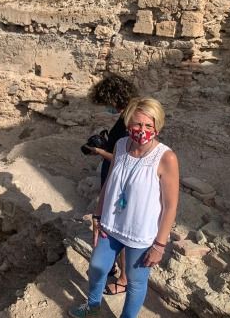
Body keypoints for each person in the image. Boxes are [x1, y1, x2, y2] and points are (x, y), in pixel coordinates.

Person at [69, 97, 179, 318]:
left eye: (149, 125)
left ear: (158, 125)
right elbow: (109, 182)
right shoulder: (121, 145)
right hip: (111, 224)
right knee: (98, 268)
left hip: (140, 233)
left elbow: (170, 206)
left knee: (136, 282)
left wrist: (159, 244)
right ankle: (92, 308)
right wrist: (98, 216)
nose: (142, 130)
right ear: (128, 123)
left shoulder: (166, 158)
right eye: (137, 124)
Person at [84, 74, 138, 295]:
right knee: (110, 225)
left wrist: (98, 151)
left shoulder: (131, 122)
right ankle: (110, 264)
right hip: (114, 176)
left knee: (120, 229)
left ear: (115, 99)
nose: (107, 108)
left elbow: (125, 158)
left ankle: (124, 280)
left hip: (120, 179)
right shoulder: (128, 115)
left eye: (107, 104)